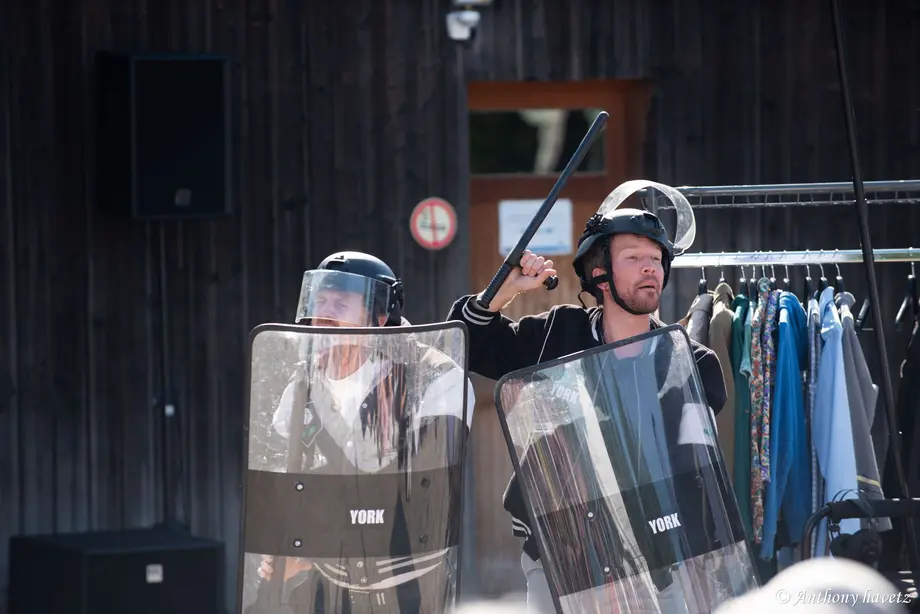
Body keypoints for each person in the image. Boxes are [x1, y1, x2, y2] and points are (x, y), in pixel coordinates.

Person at [447, 206, 728, 613]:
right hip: (562, 558)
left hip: (658, 565)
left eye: (656, 258)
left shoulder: (691, 362)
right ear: (599, 274)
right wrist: (504, 292)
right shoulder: (556, 333)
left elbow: (696, 478)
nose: (650, 267)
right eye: (633, 257)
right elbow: (466, 342)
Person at [247, 250, 476, 614]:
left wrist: (313, 541)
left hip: (412, 594)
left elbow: (422, 498)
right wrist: (286, 547)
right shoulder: (302, 384)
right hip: (328, 592)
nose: (325, 313)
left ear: (381, 315)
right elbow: (286, 482)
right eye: (320, 300)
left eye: (341, 303)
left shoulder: (435, 378)